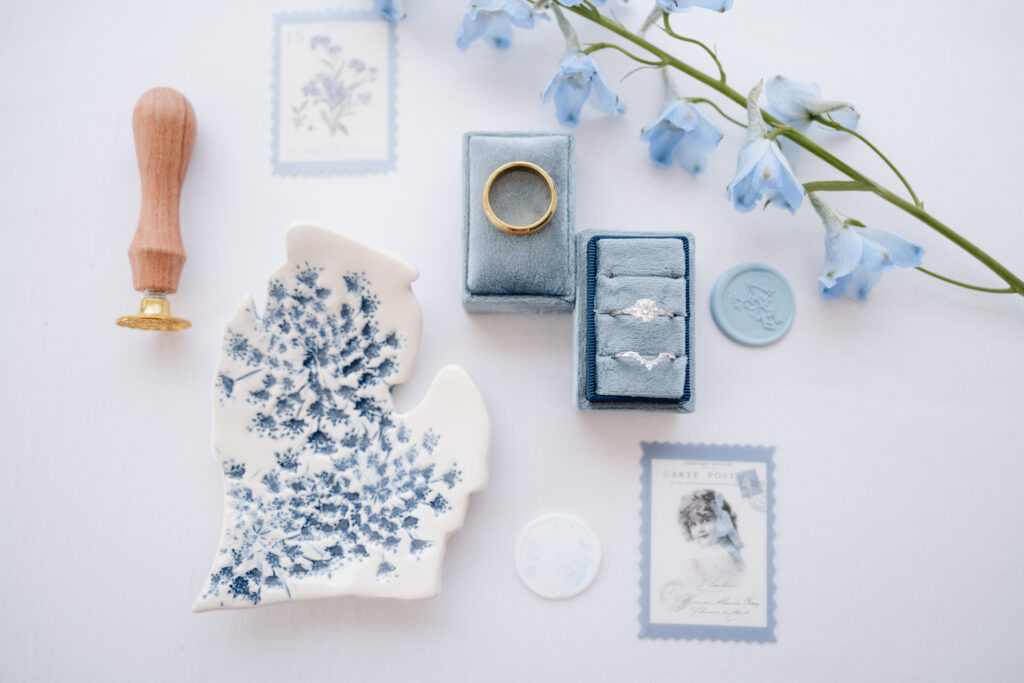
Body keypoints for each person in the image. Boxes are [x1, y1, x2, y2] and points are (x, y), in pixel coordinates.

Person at [677, 489, 744, 581]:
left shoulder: (726, 552)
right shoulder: (699, 553)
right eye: (693, 524)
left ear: (720, 520)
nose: (700, 529)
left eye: (706, 520)